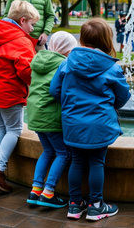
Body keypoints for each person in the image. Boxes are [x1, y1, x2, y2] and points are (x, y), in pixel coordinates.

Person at [50, 18, 131, 221]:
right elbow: (124, 96)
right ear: (106, 40)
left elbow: (54, 91)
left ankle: (75, 205)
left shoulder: (66, 63)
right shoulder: (111, 68)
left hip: (72, 124)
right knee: (96, 162)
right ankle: (96, 206)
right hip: (100, 125)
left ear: (82, 39)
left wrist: (71, 103)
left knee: (76, 161)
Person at [0, 0, 40, 193]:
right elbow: (26, 71)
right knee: (14, 130)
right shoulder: (20, 40)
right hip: (8, 92)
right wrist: (38, 80)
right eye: (32, 24)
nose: (32, 29)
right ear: (22, 21)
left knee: (0, 127)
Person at [26, 31, 78, 208]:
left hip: (35, 115)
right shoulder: (63, 64)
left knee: (48, 151)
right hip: (51, 117)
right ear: (65, 51)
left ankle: (35, 189)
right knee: (64, 153)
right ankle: (48, 193)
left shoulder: (40, 60)